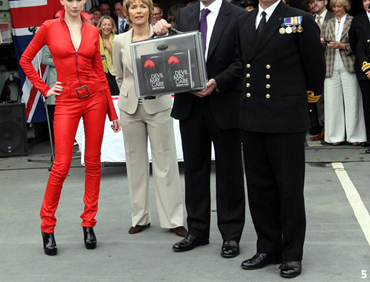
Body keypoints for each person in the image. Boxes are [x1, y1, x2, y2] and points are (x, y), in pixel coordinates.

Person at [20, 0, 121, 256]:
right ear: (62, 1)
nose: (75, 3)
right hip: (66, 100)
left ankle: (89, 223)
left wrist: (112, 111)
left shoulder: (92, 30)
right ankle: (47, 226)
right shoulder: (49, 27)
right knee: (61, 166)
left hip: (95, 99)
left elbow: (100, 72)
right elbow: (26, 60)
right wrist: (44, 88)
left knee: (93, 161)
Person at [236, 0, 325, 278]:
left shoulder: (298, 20)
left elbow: (314, 66)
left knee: (289, 189)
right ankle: (268, 247)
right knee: (260, 187)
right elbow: (241, 64)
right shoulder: (246, 22)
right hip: (253, 117)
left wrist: (307, 102)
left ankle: (292, 253)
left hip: (286, 116)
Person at [153, 0, 246, 258]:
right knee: (194, 170)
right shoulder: (185, 14)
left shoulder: (237, 15)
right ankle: (197, 230)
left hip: (224, 102)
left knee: (230, 173)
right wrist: (159, 30)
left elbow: (242, 60)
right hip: (191, 104)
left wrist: (218, 81)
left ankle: (231, 235)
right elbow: (168, 50)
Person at [112, 0, 187, 237]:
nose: (138, 11)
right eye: (132, 7)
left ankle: (174, 219)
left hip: (159, 106)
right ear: (126, 12)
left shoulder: (161, 35)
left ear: (150, 10)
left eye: (142, 6)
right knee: (135, 164)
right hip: (130, 108)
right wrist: (129, 93)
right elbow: (119, 75)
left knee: (166, 163)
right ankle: (140, 217)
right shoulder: (119, 41)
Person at [321, 0, 366, 146]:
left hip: (349, 63)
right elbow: (320, 43)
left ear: (345, 7)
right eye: (334, 7)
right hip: (330, 64)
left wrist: (342, 46)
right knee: (332, 101)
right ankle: (334, 136)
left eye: (339, 6)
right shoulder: (327, 23)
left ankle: (355, 136)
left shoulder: (354, 21)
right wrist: (321, 42)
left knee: (353, 100)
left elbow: (359, 44)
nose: (336, 9)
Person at [310, 0, 335, 141]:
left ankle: (328, 129)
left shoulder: (334, 17)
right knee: (315, 97)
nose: (314, 4)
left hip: (331, 60)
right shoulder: (308, 18)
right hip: (313, 63)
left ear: (325, 2)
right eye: (311, 2)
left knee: (330, 98)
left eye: (317, 0)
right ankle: (318, 125)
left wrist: (325, 40)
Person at [349, 0, 370, 152]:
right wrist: (367, 68)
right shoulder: (358, 20)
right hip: (366, 70)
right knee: (368, 106)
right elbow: (355, 44)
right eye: (364, 0)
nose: (368, 2)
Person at [97, 15, 119, 96]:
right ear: (99, 26)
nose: (107, 27)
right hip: (100, 75)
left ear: (112, 27)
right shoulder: (95, 39)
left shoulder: (117, 39)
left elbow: (119, 60)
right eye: (104, 24)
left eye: (109, 25)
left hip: (114, 75)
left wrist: (109, 48)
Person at [41, 45, 57, 139]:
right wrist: (59, 62)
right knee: (54, 112)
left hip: (72, 80)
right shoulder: (50, 44)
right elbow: (44, 59)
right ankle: (58, 139)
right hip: (55, 80)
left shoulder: (73, 39)